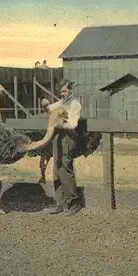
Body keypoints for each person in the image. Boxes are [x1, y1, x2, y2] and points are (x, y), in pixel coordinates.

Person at [42, 79, 84, 216]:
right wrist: (45, 104)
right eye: (61, 91)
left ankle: (74, 202)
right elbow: (50, 109)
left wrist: (60, 124)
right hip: (57, 137)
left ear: (71, 90)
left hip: (69, 137)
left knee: (65, 167)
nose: (63, 93)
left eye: (65, 91)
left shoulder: (75, 104)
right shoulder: (61, 103)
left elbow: (73, 124)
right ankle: (60, 202)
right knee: (56, 169)